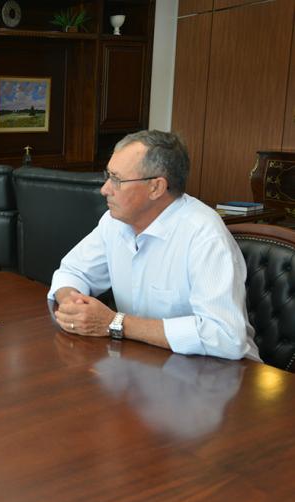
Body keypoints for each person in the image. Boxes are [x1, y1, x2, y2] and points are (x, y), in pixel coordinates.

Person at [48, 129, 259, 360]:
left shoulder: (204, 235)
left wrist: (114, 323)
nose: (105, 189)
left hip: (222, 376)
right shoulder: (115, 222)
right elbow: (72, 271)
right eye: (107, 175)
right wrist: (73, 304)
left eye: (117, 180)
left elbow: (226, 337)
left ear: (156, 187)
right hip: (147, 361)